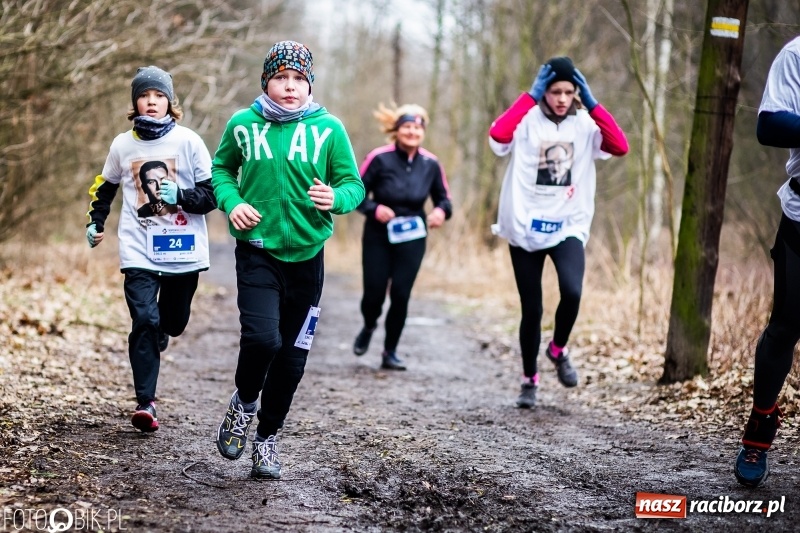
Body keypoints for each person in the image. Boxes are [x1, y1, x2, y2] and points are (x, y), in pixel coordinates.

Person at [211, 40, 365, 479]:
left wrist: (335, 197)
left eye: (299, 79)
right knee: (263, 340)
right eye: (281, 77)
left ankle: (267, 439)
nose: (290, 86)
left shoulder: (329, 129)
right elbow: (222, 171)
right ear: (266, 82)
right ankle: (243, 403)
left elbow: (353, 185)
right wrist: (231, 200)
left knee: (292, 360)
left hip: (308, 258)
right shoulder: (243, 124)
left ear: (310, 85)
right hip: (257, 251)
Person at [488, 56, 628, 408]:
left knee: (572, 291)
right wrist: (528, 98)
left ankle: (558, 349)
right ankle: (528, 381)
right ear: (543, 92)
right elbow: (498, 135)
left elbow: (619, 146)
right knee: (531, 309)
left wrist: (593, 105)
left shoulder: (584, 124)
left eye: (569, 91)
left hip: (568, 224)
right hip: (523, 226)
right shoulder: (526, 120)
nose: (562, 98)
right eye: (554, 91)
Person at [85, 65, 217, 432]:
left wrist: (184, 197)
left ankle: (163, 331)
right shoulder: (122, 145)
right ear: (135, 103)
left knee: (171, 323)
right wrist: (95, 221)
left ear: (169, 102)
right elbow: (105, 187)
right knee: (144, 319)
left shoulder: (189, 142)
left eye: (159, 96)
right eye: (145, 96)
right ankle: (146, 402)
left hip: (183, 249)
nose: (152, 102)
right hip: (138, 248)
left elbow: (212, 196)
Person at [734, 35, 800, 488]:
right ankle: (759, 430)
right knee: (786, 325)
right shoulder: (796, 55)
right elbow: (769, 126)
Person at [351, 103, 452, 371]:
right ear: (396, 130)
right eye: (407, 126)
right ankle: (369, 324)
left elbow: (444, 199)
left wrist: (440, 212)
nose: (412, 132)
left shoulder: (431, 163)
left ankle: (390, 351)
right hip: (378, 234)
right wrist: (375, 209)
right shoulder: (379, 158)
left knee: (401, 293)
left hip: (413, 235)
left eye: (417, 128)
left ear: (423, 132)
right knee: (374, 292)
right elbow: (355, 192)